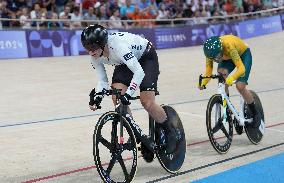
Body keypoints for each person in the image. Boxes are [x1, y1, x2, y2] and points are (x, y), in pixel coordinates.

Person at [81, 24, 177, 154]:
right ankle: (135, 133)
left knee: (147, 102)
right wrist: (97, 97)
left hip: (146, 57)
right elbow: (103, 81)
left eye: (93, 47)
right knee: (117, 98)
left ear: (103, 43)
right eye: (87, 47)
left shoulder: (118, 47)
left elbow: (139, 73)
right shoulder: (95, 57)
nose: (91, 51)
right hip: (125, 62)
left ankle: (171, 131)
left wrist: (129, 93)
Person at [198, 35, 261, 129]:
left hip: (243, 55)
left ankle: (256, 113)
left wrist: (232, 78)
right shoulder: (210, 53)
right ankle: (227, 110)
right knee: (221, 76)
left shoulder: (228, 45)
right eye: (213, 58)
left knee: (240, 86)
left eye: (217, 56)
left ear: (221, 49)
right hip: (228, 58)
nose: (216, 60)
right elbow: (208, 71)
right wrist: (204, 83)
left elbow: (241, 68)